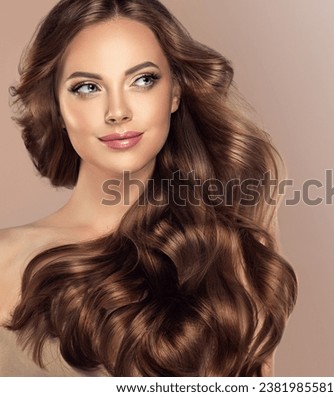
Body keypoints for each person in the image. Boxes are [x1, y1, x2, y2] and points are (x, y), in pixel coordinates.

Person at [0, 0, 297, 376]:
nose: (118, 111)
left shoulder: (227, 255)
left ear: (174, 93)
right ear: (57, 107)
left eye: (143, 80)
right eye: (88, 87)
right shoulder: (4, 259)